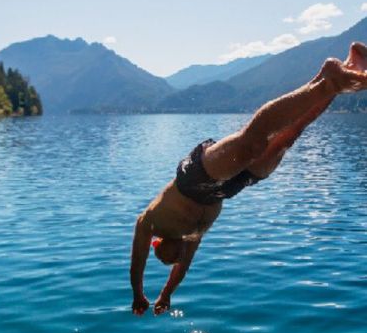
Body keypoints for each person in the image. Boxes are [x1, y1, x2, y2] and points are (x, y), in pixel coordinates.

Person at [131, 42, 367, 316]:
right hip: (225, 190)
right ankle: (339, 76)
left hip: (194, 178)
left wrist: (138, 293)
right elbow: (181, 271)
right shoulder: (191, 239)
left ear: (156, 244)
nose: (174, 259)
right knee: (286, 139)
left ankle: (327, 83)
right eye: (175, 259)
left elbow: (138, 261)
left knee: (251, 144)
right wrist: (165, 296)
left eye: (166, 257)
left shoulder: (150, 222)